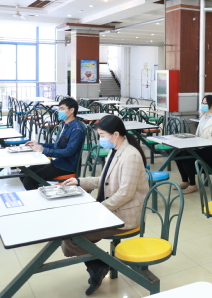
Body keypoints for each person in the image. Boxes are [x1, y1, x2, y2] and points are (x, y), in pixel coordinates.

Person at [61, 115, 149, 296]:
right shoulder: (115, 150)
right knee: (69, 232)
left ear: (115, 134)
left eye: (102, 135)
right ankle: (99, 265)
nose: (100, 139)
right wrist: (79, 181)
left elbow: (125, 193)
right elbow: (104, 180)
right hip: (110, 209)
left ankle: (99, 265)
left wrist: (98, 209)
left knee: (71, 238)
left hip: (124, 216)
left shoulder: (131, 156)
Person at [23, 97, 86, 190]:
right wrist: (39, 144)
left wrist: (44, 150)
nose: (59, 111)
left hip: (66, 166)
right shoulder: (64, 125)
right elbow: (57, 146)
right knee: (25, 172)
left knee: (29, 180)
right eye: (59, 109)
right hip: (57, 162)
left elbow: (69, 151)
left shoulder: (77, 128)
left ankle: (41, 197)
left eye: (62, 109)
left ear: (72, 110)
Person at [176, 95, 212, 194]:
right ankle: (185, 181)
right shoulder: (204, 117)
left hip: (210, 150)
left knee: (187, 157)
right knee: (179, 154)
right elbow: (199, 134)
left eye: (205, 103)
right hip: (200, 147)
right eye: (202, 103)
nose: (203, 105)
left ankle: (192, 185)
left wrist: (199, 142)